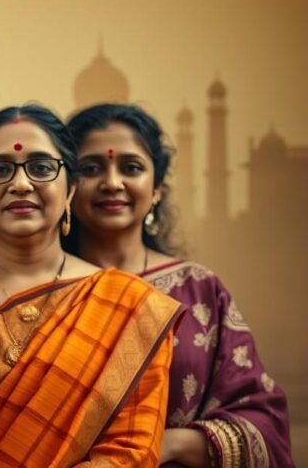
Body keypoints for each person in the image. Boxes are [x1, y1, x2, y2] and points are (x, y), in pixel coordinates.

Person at [0, 104, 182, 467]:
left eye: (42, 168)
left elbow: (130, 454)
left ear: (71, 189)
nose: (20, 184)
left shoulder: (132, 306)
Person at [65, 103, 293, 468]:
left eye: (131, 167)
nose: (112, 182)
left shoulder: (199, 289)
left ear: (156, 188)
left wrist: (168, 444)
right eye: (91, 168)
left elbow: (264, 420)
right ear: (68, 186)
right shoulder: (44, 291)